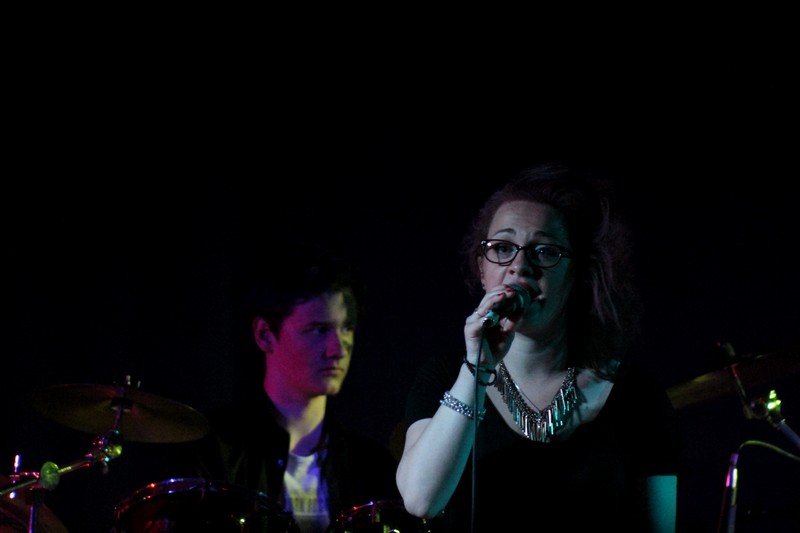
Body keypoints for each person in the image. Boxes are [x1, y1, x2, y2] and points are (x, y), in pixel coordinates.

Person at [395, 161, 682, 532]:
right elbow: (421, 499)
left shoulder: (636, 396)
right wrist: (477, 370)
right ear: (482, 269)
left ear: (578, 273)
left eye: (544, 252)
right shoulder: (444, 376)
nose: (520, 266)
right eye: (502, 248)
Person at [169, 240, 401, 533]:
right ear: (265, 335)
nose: (338, 349)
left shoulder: (371, 466)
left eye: (347, 328)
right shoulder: (214, 450)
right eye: (319, 329)